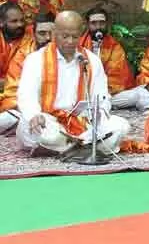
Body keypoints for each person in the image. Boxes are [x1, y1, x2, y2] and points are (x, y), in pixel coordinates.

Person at [15, 11, 130, 155]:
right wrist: (34, 114)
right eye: (65, 36)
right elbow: (26, 94)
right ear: (55, 33)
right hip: (49, 121)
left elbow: (101, 96)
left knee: (121, 126)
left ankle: (71, 146)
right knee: (31, 128)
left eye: (75, 37)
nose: (70, 41)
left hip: (82, 123)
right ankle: (86, 147)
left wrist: (99, 113)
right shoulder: (36, 59)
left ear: (81, 34)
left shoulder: (91, 60)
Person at [0, 12, 53, 134]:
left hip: (59, 111)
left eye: (52, 33)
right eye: (42, 33)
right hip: (26, 110)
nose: (48, 38)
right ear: (34, 35)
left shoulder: (67, 54)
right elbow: (13, 91)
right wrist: (31, 110)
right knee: (8, 119)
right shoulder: (23, 54)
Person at [80, 6, 136, 95]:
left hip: (109, 93)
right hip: (84, 92)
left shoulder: (115, 47)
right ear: (87, 24)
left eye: (101, 23)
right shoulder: (79, 45)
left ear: (106, 24)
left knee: (136, 96)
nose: (98, 27)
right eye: (94, 23)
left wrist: (103, 91)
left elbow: (117, 76)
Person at [0, 1, 27, 89]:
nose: (20, 24)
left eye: (22, 20)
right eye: (14, 21)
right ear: (1, 22)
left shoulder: (30, 39)